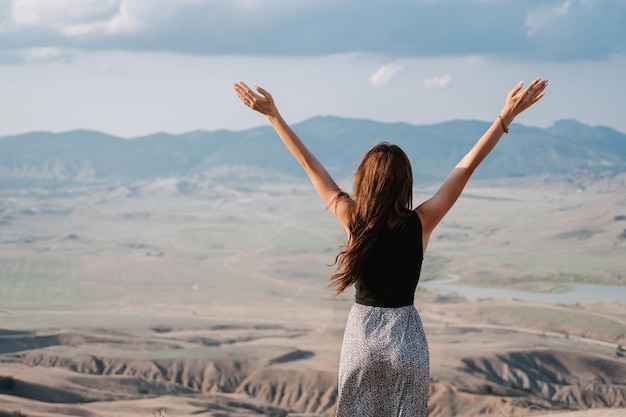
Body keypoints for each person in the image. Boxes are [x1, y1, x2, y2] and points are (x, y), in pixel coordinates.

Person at [233, 77, 548, 417]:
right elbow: (467, 166)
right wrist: (505, 117)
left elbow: (310, 165)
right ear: (406, 183)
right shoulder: (422, 221)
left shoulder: (353, 219)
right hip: (407, 341)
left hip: (362, 340)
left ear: (363, 181)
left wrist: (273, 116)